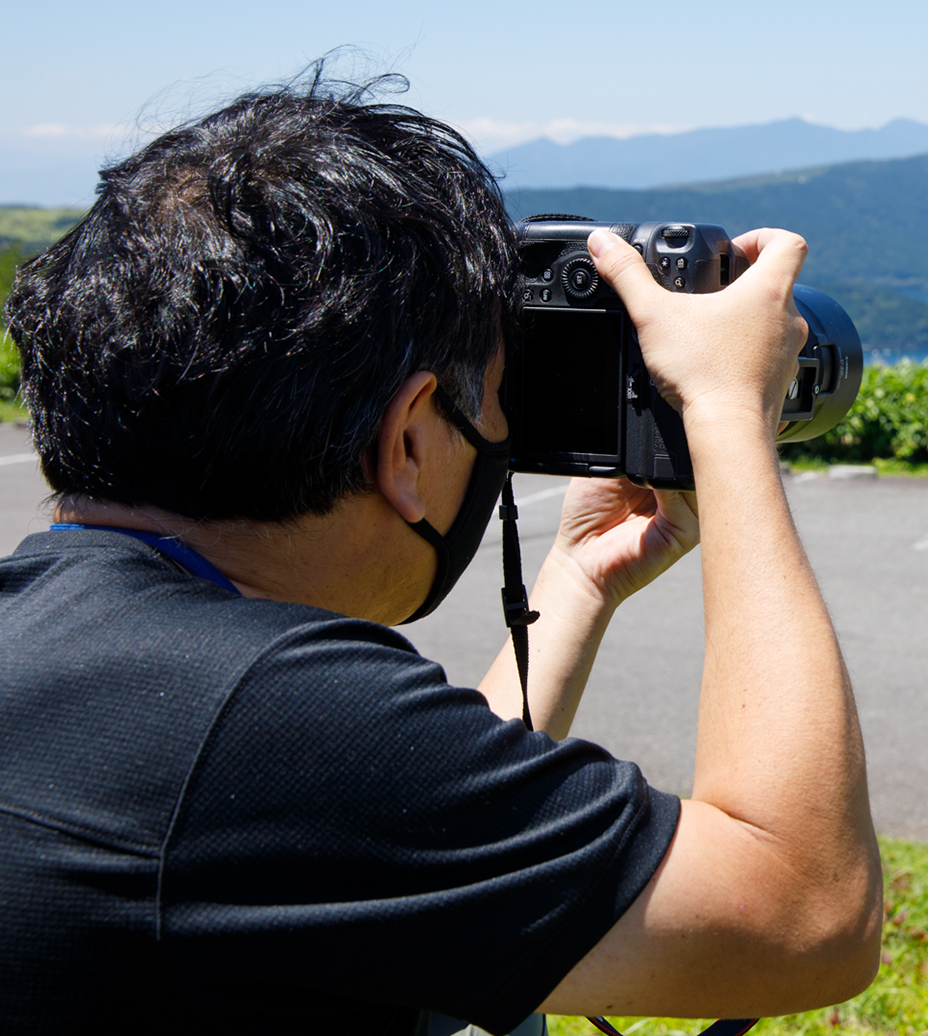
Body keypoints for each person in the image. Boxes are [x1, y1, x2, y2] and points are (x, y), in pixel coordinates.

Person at [0, 71, 883, 1035]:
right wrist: (725, 418)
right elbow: (806, 914)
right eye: (492, 404)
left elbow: (391, 831)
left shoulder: (73, 645)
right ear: (411, 442)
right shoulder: (263, 719)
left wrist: (579, 579)